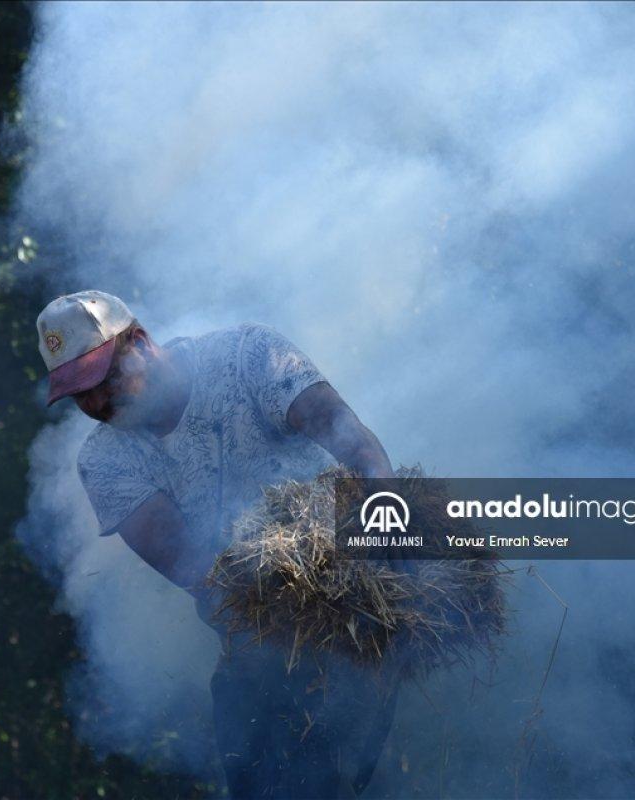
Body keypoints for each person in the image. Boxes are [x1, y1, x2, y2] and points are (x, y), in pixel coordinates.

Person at [36, 290, 398, 799]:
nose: (95, 404)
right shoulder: (105, 461)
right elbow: (200, 573)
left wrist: (388, 522)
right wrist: (298, 616)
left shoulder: (249, 357)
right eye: (79, 394)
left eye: (102, 381)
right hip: (262, 660)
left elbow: (354, 443)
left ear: (139, 342)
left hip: (370, 613)